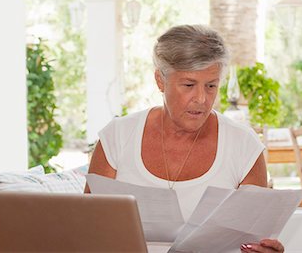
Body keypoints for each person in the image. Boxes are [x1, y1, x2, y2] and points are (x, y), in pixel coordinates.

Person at [85, 24, 285, 253]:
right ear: (161, 80)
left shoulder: (244, 146)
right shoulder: (117, 137)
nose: (201, 98)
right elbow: (88, 231)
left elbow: (251, 239)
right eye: (189, 85)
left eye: (211, 86)